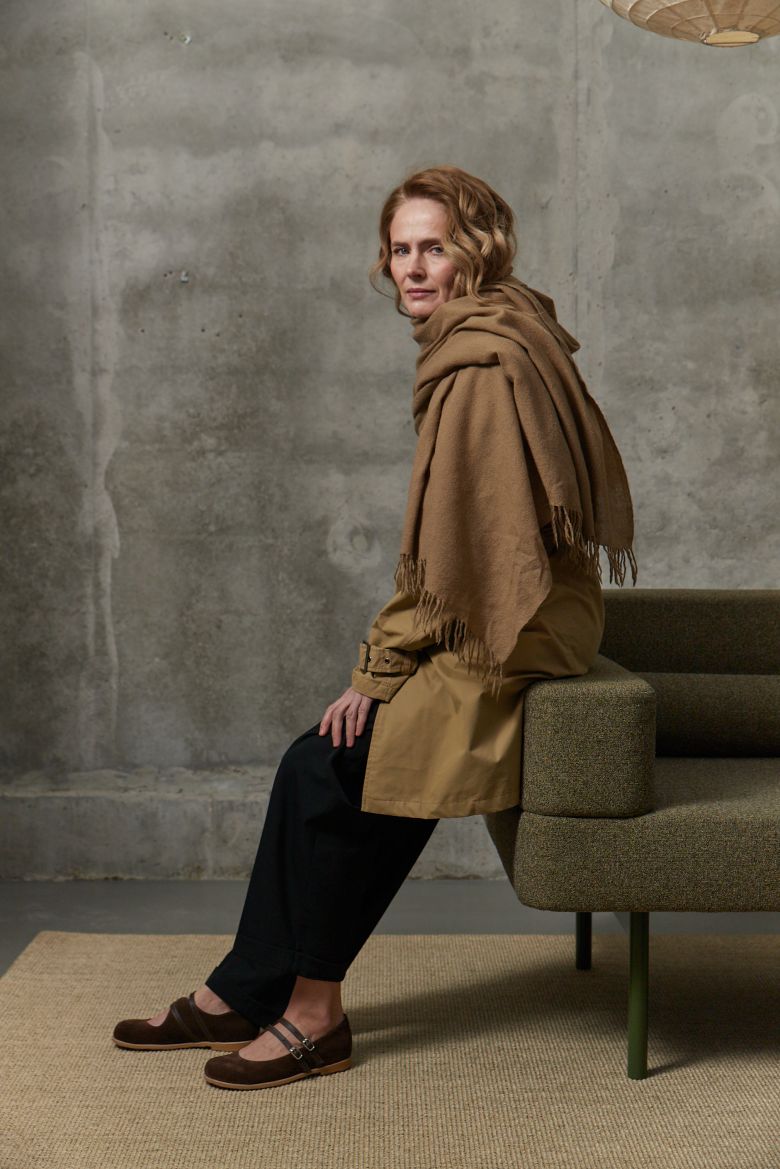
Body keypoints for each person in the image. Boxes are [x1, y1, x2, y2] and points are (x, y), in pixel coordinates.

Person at [112, 164, 637, 1091]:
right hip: (515, 608)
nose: (414, 268)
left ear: (478, 252)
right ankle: (244, 989)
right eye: (401, 249)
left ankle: (314, 1014)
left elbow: (465, 556)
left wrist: (377, 670)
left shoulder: (480, 366)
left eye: (436, 247)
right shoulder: (498, 331)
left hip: (509, 623)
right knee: (316, 763)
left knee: (340, 768)